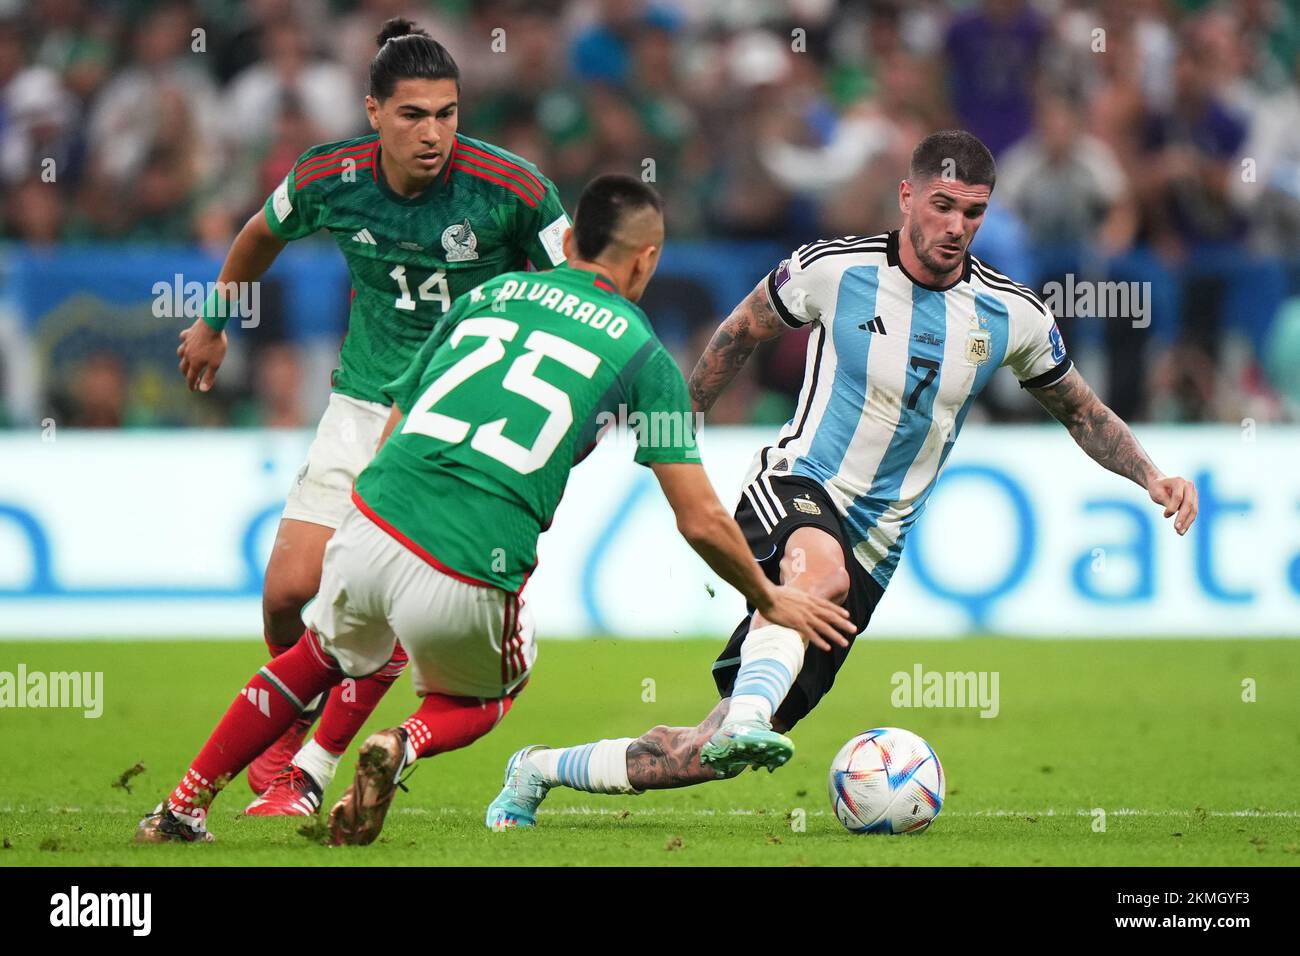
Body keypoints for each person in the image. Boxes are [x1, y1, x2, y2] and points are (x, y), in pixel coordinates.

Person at [485, 130, 1199, 829]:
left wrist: (1153, 477)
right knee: (815, 574)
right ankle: (753, 715)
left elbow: (1081, 411)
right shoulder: (835, 268)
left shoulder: (1012, 314)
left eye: (974, 212)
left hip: (875, 554)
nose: (957, 226)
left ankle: (540, 769)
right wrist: (682, 425)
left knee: (702, 754)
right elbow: (741, 331)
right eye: (943, 205)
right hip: (799, 485)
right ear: (907, 195)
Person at [136, 174, 854, 845]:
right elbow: (698, 517)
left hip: (373, 514)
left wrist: (372, 510)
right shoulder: (646, 357)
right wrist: (768, 597)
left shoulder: (489, 295)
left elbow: (397, 416)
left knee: (313, 657)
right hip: (472, 557)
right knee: (493, 690)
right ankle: (402, 741)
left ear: (568, 244)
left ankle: (181, 806)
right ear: (647, 262)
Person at [175, 19, 573, 816]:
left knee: (383, 604)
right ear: (372, 112)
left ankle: (305, 770)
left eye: (448, 114)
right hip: (361, 404)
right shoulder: (331, 176)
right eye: (413, 115)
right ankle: (294, 724)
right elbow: (258, 235)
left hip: (456, 425)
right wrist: (215, 321)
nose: (434, 134)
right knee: (288, 592)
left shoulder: (514, 188)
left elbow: (581, 289)